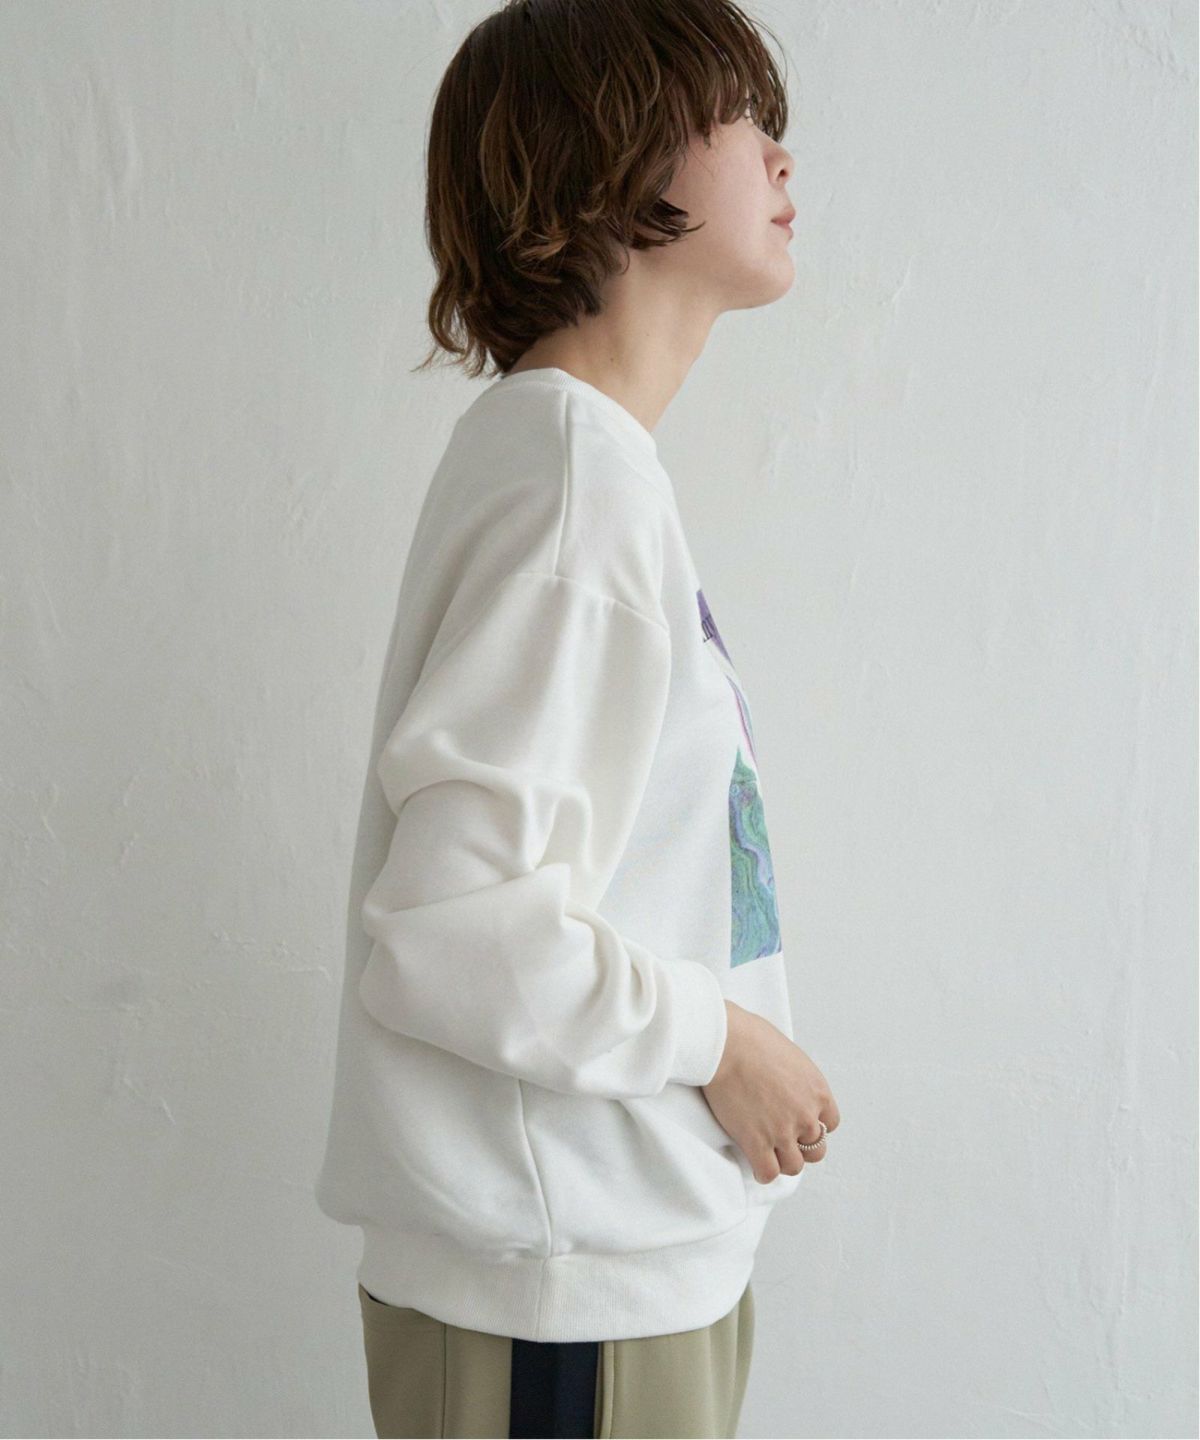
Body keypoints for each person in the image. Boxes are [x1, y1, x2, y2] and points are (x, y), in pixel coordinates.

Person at [313, 0, 842, 1434]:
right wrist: (723, 1042)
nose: (783, 154)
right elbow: (451, 932)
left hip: (604, 1267)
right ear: (611, 161)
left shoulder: (583, 468)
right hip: (560, 1295)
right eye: (738, 113)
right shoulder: (571, 482)